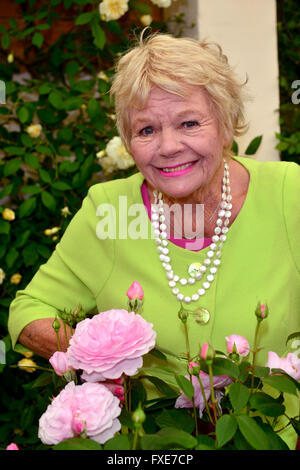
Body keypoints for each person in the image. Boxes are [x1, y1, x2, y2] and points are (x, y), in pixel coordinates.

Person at [8, 32, 300, 449]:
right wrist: (99, 357)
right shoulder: (107, 209)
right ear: (128, 142)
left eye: (189, 123)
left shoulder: (291, 194)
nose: (168, 147)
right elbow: (28, 312)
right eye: (146, 129)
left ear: (226, 123)